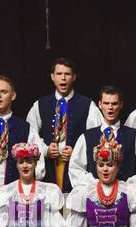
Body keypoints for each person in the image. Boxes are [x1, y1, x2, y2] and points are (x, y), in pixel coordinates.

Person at [25, 57, 102, 195]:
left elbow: (96, 138)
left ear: (74, 77)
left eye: (67, 74)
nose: (63, 78)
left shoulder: (87, 105)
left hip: (76, 171)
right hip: (48, 169)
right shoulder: (40, 105)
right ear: (52, 77)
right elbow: (30, 136)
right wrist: (45, 150)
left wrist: (77, 152)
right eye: (59, 74)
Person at [69, 86, 136, 191]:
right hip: (95, 197)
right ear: (100, 104)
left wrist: (127, 188)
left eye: (114, 103)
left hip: (124, 200)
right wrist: (94, 186)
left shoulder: (134, 136)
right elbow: (75, 168)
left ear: (121, 105)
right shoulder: (86, 137)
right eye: (106, 103)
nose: (110, 107)